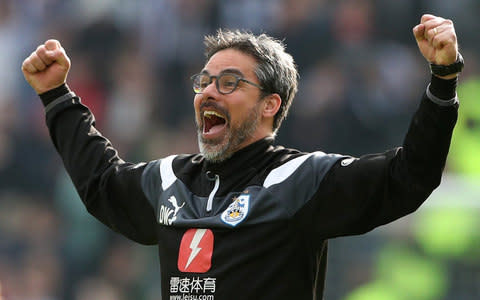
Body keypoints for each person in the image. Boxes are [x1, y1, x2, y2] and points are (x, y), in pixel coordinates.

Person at [22, 14, 462, 300]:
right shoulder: (170, 180)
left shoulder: (302, 179)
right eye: (205, 81)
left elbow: (410, 176)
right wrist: (57, 97)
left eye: (229, 82)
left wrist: (442, 80)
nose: (209, 92)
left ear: (270, 105)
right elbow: (101, 185)